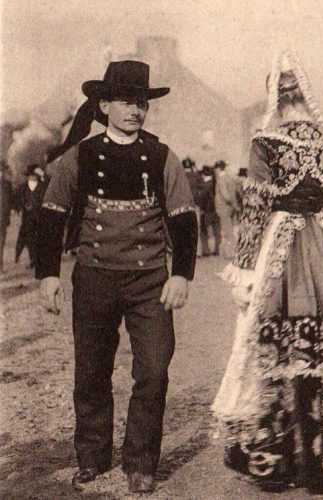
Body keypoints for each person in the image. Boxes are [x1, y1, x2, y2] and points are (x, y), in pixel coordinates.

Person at [212, 50, 323, 495]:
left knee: (279, 351)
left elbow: (255, 207)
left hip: (282, 247)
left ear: (274, 98)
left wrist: (245, 268)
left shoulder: (266, 142)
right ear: (307, 93)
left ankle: (281, 457)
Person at [35, 60, 198, 494]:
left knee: (155, 370)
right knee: (91, 371)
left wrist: (181, 274)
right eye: (125, 101)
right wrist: (48, 274)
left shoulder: (165, 157)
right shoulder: (80, 156)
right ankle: (92, 456)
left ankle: (141, 462)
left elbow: (184, 220)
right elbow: (51, 216)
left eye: (141, 102)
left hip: (149, 281)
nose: (135, 110)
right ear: (104, 105)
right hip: (95, 278)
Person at [14, 164, 47, 268]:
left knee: (39, 239)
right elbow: (16, 199)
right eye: (31, 176)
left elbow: (49, 185)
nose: (32, 177)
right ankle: (32, 259)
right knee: (29, 238)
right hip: (27, 218)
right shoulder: (23, 187)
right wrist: (20, 207)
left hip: (39, 217)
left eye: (34, 175)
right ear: (28, 176)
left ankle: (36, 260)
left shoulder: (43, 186)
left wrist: (43, 174)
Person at [213, 160, 238, 258]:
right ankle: (230, 251)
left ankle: (231, 253)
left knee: (227, 231)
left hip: (224, 207)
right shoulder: (230, 178)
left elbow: (225, 195)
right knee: (230, 229)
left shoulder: (221, 179)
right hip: (230, 207)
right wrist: (234, 204)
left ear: (218, 168)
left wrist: (229, 202)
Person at [197, 165, 220, 256]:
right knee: (216, 231)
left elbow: (202, 199)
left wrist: (201, 208)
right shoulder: (215, 182)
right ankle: (216, 249)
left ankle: (206, 250)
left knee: (204, 232)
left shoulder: (205, 185)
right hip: (215, 209)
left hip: (207, 210)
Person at [0, 162, 13, 272]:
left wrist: (8, 217)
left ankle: (0, 266)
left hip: (2, 219)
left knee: (1, 242)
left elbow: (9, 202)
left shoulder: (7, 185)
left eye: (1, 171)